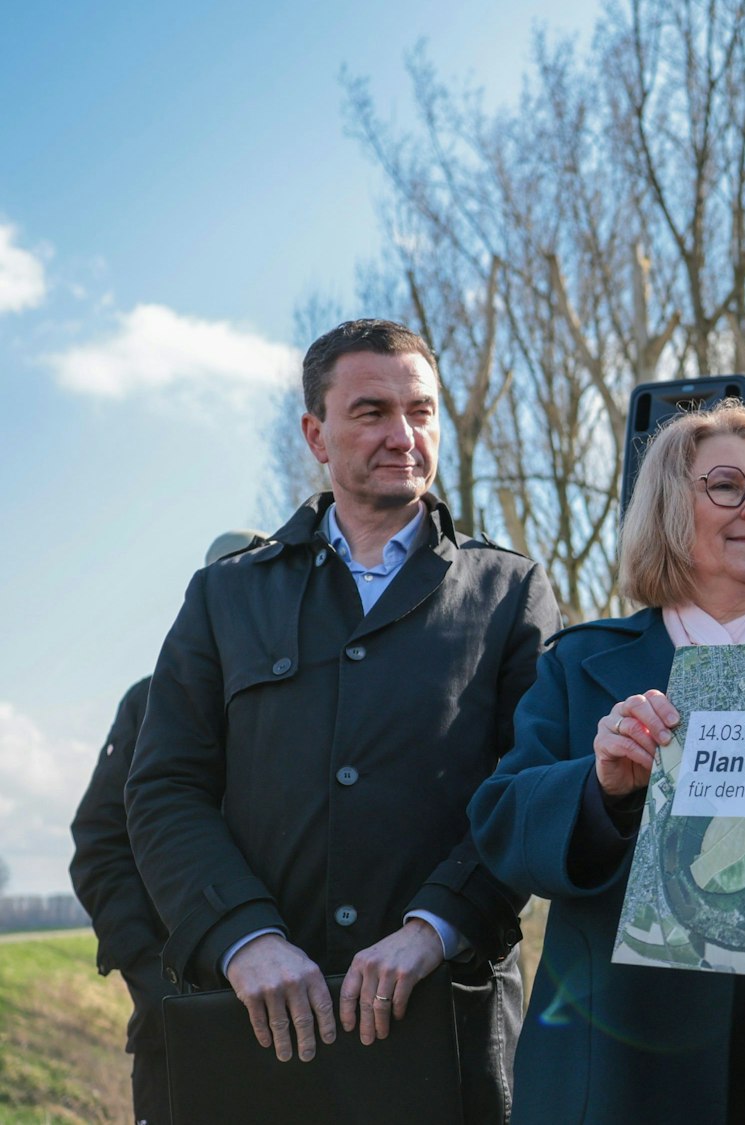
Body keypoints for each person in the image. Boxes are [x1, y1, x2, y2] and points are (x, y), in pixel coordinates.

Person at [125, 319, 561, 1122]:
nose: (403, 434)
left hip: (447, 1033)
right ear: (315, 434)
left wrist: (438, 923)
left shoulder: (511, 594)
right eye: (371, 411)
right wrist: (243, 936)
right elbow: (164, 789)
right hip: (254, 1029)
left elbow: (531, 790)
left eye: (421, 411)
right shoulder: (225, 596)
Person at [468, 403, 745, 1123]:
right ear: (667, 507)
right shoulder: (581, 662)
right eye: (728, 485)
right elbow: (503, 826)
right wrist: (601, 788)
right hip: (621, 1064)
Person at [69, 528, 266, 1125]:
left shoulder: (320, 696)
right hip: (178, 1031)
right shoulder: (150, 701)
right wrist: (157, 976)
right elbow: (100, 847)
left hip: (302, 1018)